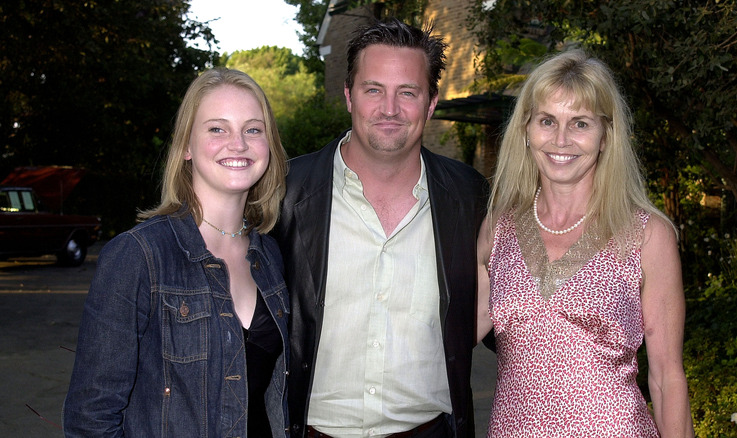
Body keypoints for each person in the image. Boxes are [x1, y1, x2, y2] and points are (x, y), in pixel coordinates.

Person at [273, 17, 489, 438]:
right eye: (374, 90)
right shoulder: (282, 194)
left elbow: (513, 316)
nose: (390, 109)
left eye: (407, 92)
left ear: (430, 103)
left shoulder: (471, 198)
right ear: (349, 96)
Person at [475, 49, 695, 437]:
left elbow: (666, 378)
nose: (561, 140)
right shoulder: (498, 229)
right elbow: (450, 341)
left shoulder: (646, 235)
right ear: (526, 130)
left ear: (606, 136)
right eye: (547, 121)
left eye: (580, 123)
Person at [63, 67, 290, 437]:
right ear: (186, 145)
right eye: (217, 128)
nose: (238, 143)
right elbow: (91, 418)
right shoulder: (138, 256)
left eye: (253, 129)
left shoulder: (270, 256)